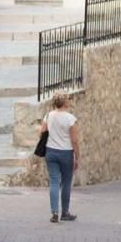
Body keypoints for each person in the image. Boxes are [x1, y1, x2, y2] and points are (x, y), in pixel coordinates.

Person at [39, 93, 80, 223]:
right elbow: (74, 141)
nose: (69, 101)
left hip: (51, 152)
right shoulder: (70, 119)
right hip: (66, 153)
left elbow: (42, 132)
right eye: (68, 100)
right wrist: (77, 157)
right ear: (65, 103)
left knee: (54, 182)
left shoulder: (48, 116)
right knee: (66, 183)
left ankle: (55, 212)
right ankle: (65, 212)